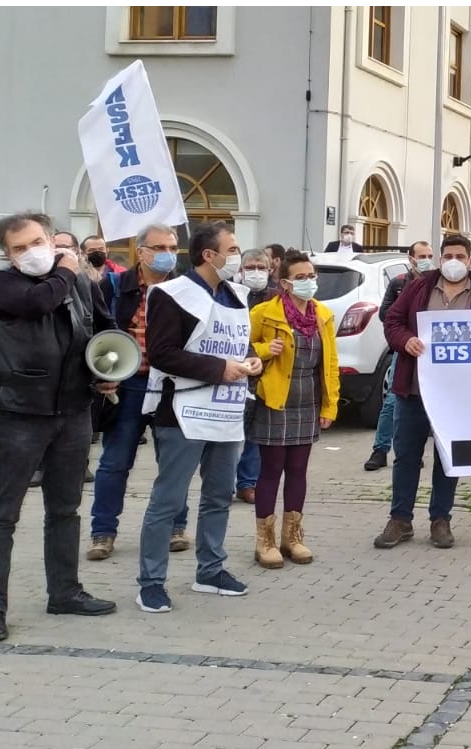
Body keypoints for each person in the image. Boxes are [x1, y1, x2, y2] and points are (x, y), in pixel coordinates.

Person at [0, 212, 119, 641]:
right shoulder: (2, 284)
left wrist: (108, 367)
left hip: (72, 411)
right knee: (1, 515)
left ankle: (65, 592)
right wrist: (68, 271)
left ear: (52, 239)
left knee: (65, 508)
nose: (33, 252)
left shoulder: (82, 286)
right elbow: (39, 303)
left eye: (38, 241)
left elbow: (104, 330)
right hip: (20, 413)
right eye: (21, 247)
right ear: (7, 254)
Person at [134, 221, 260, 613]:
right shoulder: (171, 295)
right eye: (233, 250)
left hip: (226, 408)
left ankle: (211, 570)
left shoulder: (236, 296)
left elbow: (236, 343)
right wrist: (218, 368)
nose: (238, 257)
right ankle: (151, 582)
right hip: (182, 411)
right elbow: (162, 352)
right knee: (168, 500)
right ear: (210, 255)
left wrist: (250, 361)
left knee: (219, 495)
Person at [374, 235, 471, 550]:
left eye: (460, 255)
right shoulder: (417, 289)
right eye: (448, 255)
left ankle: (440, 519)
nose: (454, 261)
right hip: (415, 391)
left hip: (458, 397)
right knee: (406, 456)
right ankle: (400, 519)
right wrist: (405, 340)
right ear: (440, 258)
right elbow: (392, 321)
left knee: (447, 458)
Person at [89, 224, 192, 561]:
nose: (167, 254)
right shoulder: (116, 286)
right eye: (159, 247)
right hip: (128, 384)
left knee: (174, 462)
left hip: (171, 386)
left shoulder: (185, 288)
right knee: (115, 462)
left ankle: (176, 526)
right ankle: (102, 533)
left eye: (172, 248)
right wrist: (102, 374)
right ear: (141, 251)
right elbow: (95, 331)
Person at [248, 250, 339, 568]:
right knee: (271, 470)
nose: (309, 281)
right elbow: (242, 349)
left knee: (298, 470)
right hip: (275, 400)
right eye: (301, 277)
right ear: (284, 282)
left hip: (308, 400)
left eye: (311, 275)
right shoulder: (264, 313)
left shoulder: (323, 315)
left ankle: (293, 537)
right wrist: (263, 349)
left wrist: (330, 404)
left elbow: (330, 363)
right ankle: (265, 540)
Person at [364, 241, 434, 472]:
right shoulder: (399, 283)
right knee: (394, 401)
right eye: (422, 255)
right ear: (411, 258)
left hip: (432, 352)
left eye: (430, 255)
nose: (426, 259)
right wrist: (405, 335)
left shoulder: (437, 282)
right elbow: (387, 314)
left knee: (426, 403)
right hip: (405, 351)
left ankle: (414, 450)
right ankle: (380, 449)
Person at [233, 249, 277, 503]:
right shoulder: (233, 295)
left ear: (270, 270)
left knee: (255, 433)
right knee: (233, 431)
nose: (256, 272)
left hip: (266, 375)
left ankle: (248, 483)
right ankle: (224, 481)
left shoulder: (277, 298)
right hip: (235, 371)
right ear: (241, 269)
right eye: (250, 267)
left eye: (261, 267)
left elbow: (281, 341)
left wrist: (263, 352)